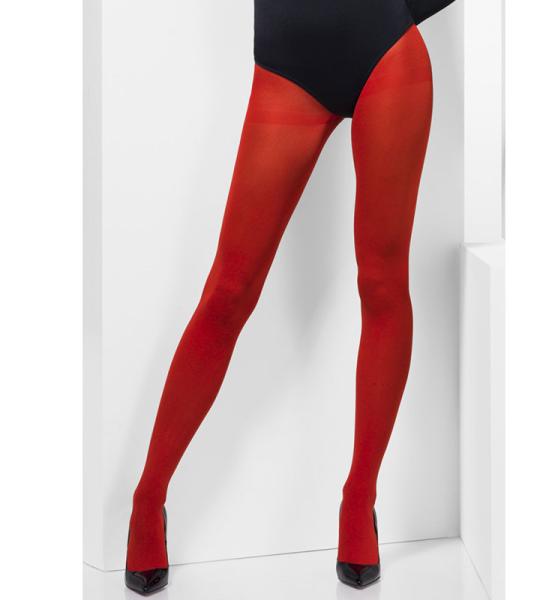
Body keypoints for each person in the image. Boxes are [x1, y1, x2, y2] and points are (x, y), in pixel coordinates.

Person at [125, 0, 456, 594]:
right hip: (288, 62)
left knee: (382, 282)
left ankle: (359, 498)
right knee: (228, 291)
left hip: (387, 51)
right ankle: (148, 498)